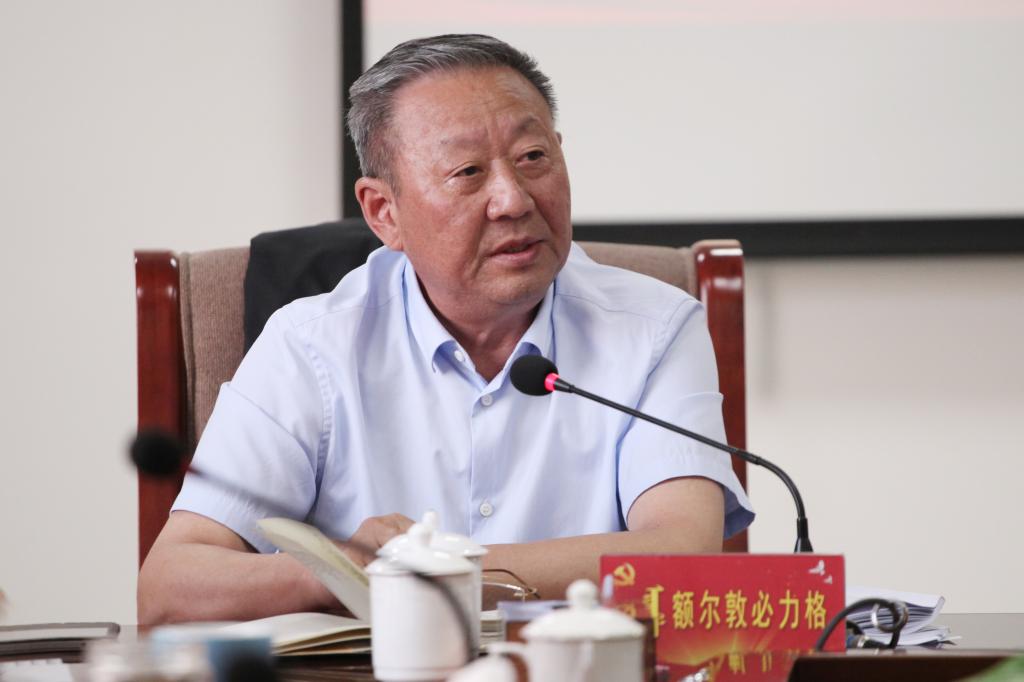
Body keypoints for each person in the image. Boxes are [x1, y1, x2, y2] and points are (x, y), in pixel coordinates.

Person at [137, 34, 753, 625]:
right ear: (384, 212)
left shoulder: (654, 329)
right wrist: (338, 571)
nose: (513, 199)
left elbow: (682, 555)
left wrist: (427, 572)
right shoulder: (311, 346)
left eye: (533, 157)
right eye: (467, 171)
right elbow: (169, 588)